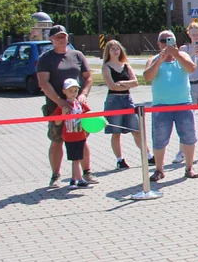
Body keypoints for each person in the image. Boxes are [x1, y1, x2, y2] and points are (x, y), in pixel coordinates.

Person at [36, 25, 98, 188]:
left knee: (82, 139)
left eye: (63, 36)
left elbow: (88, 77)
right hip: (57, 108)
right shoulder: (46, 58)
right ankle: (55, 176)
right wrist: (60, 101)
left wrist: (83, 94)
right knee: (57, 140)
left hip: (77, 108)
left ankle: (86, 173)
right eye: (57, 37)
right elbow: (43, 82)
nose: (61, 39)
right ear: (51, 39)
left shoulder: (77, 55)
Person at [144, 30, 198, 180]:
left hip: (183, 104)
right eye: (163, 40)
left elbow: (191, 68)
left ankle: (189, 167)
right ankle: (159, 169)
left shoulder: (182, 56)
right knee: (159, 139)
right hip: (161, 106)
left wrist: (177, 55)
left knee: (188, 137)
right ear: (158, 43)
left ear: (175, 43)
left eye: (169, 40)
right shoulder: (154, 59)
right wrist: (160, 60)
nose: (165, 43)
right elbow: (147, 77)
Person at [170, 21, 198, 164]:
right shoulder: (183, 49)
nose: (196, 37)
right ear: (188, 34)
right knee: (187, 120)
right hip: (189, 86)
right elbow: (181, 67)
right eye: (193, 34)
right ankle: (182, 151)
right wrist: (190, 53)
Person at [101, 39, 150, 169]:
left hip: (127, 99)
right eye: (112, 49)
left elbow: (135, 82)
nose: (116, 51)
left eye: (117, 49)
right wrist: (122, 84)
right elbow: (111, 86)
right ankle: (120, 160)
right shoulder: (106, 67)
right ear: (108, 52)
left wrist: (121, 83)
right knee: (115, 131)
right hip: (113, 101)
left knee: (136, 129)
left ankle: (149, 156)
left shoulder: (126, 66)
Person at [52, 78, 91, 188]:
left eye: (75, 91)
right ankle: (78, 180)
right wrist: (63, 114)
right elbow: (57, 121)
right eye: (70, 91)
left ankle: (75, 179)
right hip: (70, 136)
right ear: (64, 91)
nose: (73, 93)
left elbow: (90, 114)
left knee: (78, 158)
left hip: (80, 135)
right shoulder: (63, 105)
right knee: (75, 159)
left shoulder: (80, 104)